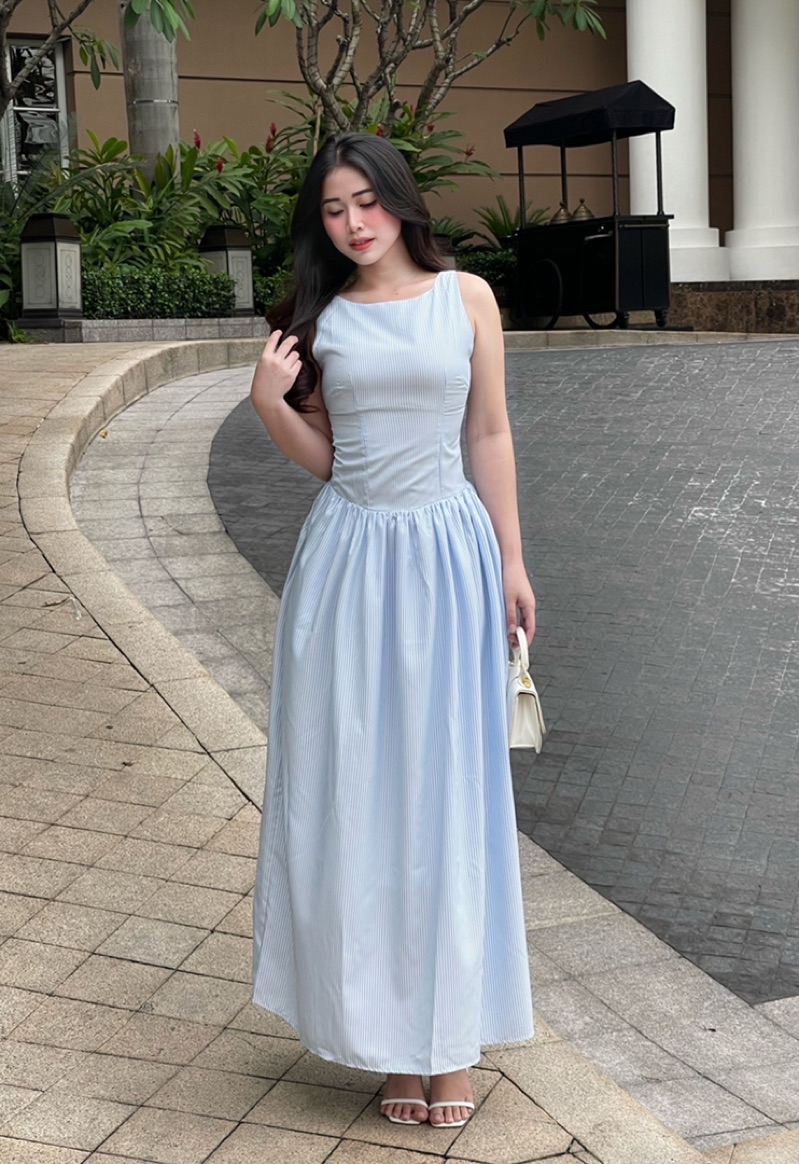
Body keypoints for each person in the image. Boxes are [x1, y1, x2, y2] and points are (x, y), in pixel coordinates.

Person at [250, 131, 535, 1129]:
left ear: (399, 201)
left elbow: (487, 432)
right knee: (357, 799)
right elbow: (331, 459)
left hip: (450, 561)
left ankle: (446, 1043)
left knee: (446, 797)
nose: (352, 223)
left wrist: (511, 560)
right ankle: (384, 1045)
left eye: (365, 201)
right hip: (347, 569)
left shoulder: (467, 298)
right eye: (333, 209)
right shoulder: (319, 319)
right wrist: (268, 406)